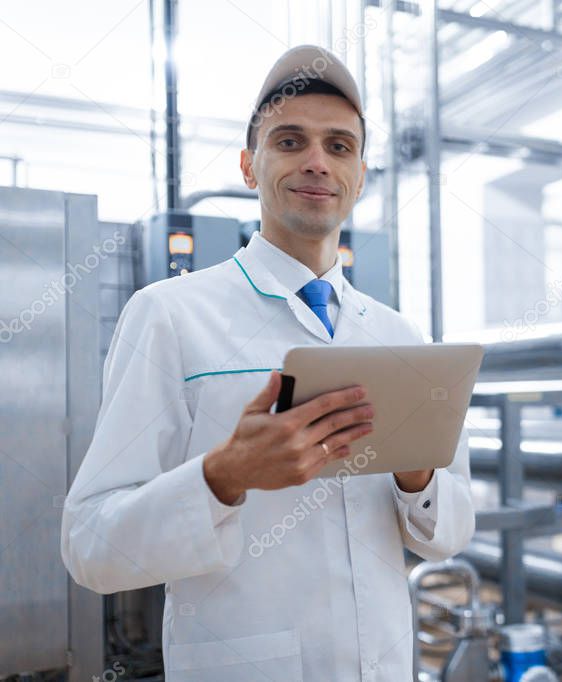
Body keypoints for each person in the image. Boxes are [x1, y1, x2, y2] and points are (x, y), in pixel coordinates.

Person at [60, 45, 474, 681]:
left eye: (339, 147)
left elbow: (447, 534)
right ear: (251, 166)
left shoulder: (399, 336)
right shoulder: (169, 316)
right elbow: (91, 547)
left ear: (360, 176)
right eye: (290, 141)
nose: (317, 162)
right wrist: (223, 477)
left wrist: (415, 474)